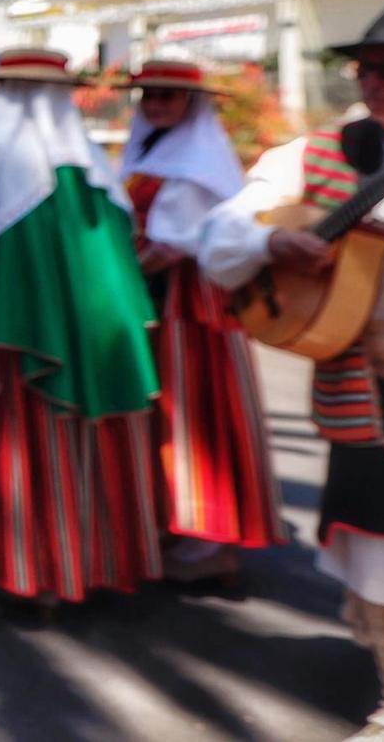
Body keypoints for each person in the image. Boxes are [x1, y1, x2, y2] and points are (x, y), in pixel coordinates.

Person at [201, 2, 384, 742]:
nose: (374, 82)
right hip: (377, 388)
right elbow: (223, 234)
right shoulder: (321, 153)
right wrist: (274, 248)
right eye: (366, 68)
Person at [0, 49, 162, 606]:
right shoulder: (91, 163)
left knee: (25, 437)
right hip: (94, 328)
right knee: (91, 432)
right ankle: (92, 560)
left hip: (23, 325)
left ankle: (34, 570)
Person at [117, 59, 283, 584]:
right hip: (162, 301)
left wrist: (119, 276)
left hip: (189, 303)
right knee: (168, 414)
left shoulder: (200, 158)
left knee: (196, 415)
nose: (158, 104)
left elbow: (178, 241)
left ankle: (211, 540)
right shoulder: (150, 151)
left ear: (192, 103)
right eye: (150, 95)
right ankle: (177, 525)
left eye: (169, 96)